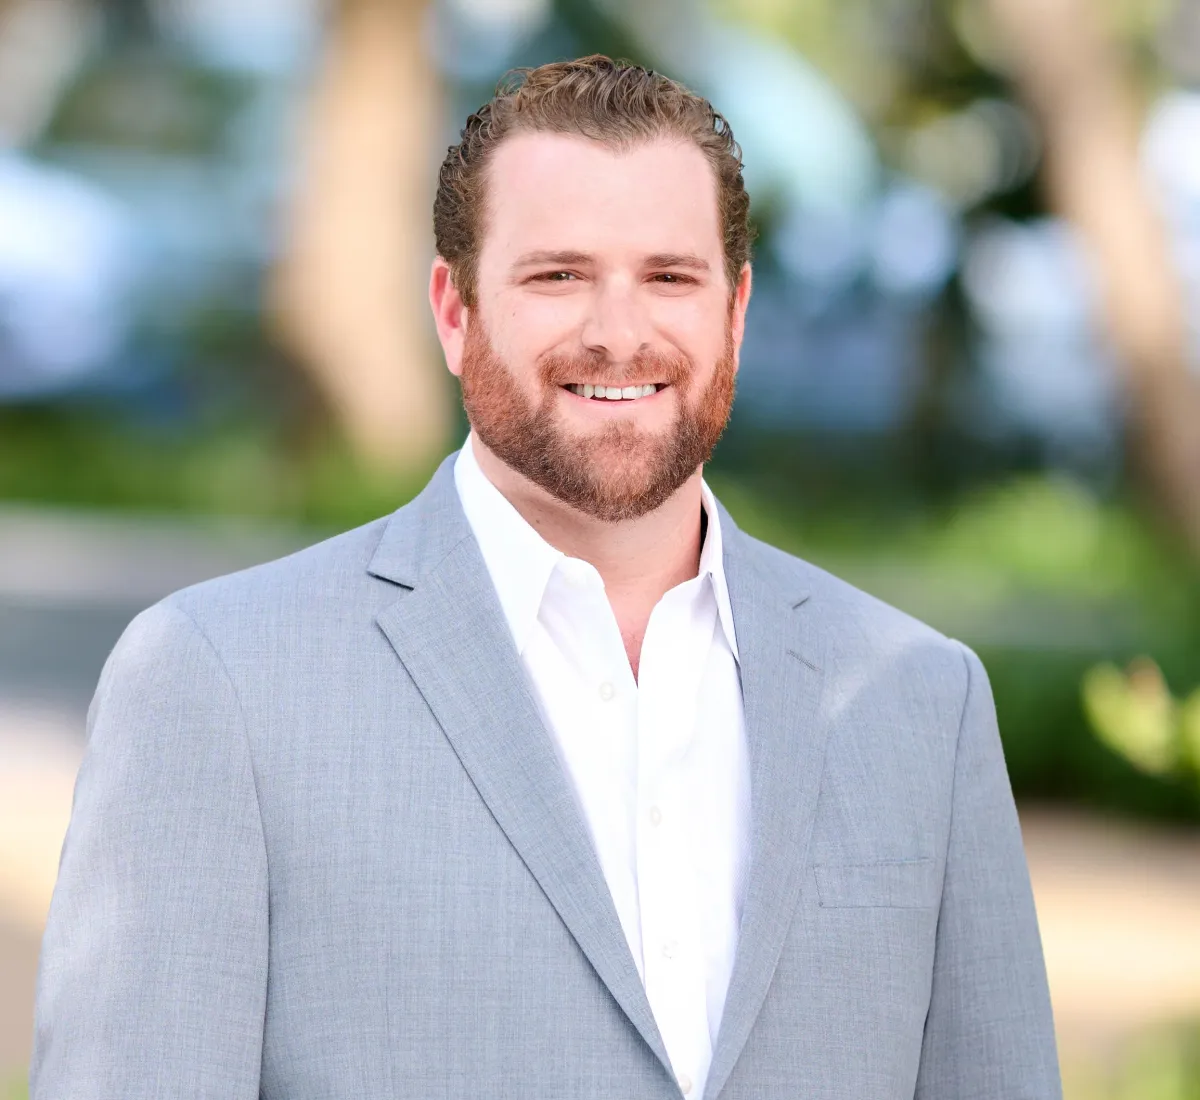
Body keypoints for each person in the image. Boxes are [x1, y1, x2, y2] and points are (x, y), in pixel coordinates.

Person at [32, 55, 1062, 1099]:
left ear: (736, 312)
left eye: (670, 277)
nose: (619, 334)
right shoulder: (218, 681)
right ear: (455, 311)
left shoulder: (920, 700)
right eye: (558, 275)